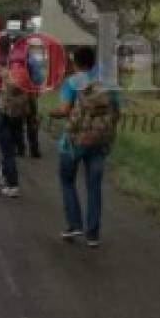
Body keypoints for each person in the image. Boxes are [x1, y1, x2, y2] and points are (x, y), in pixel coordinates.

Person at [51, 46, 121, 248]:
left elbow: (64, 110)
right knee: (94, 187)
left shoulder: (72, 82)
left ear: (76, 62)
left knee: (67, 180)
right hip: (99, 141)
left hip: (75, 141)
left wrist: (51, 114)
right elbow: (116, 112)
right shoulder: (108, 83)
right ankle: (93, 235)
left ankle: (74, 224)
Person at [0, 38, 30, 198]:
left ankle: (12, 184)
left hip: (4, 114)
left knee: (8, 153)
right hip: (18, 116)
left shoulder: (6, 73)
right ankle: (5, 172)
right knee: (10, 150)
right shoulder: (26, 78)